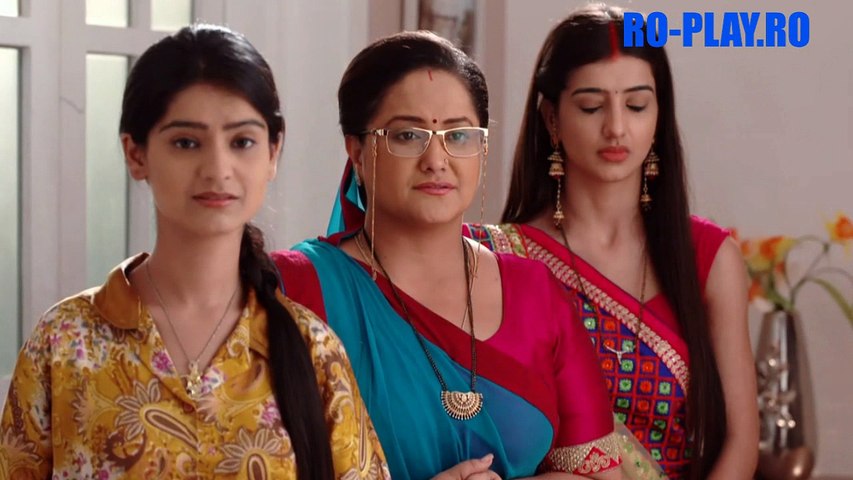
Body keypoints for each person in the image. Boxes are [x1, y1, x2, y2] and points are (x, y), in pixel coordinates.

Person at [0, 24, 387, 479]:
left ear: (273, 151)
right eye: (186, 143)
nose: (217, 169)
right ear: (136, 154)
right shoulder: (66, 342)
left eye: (242, 142)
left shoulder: (313, 350)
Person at [272, 31, 624, 480]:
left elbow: (601, 475)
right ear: (357, 152)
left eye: (458, 135)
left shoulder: (536, 293)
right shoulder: (299, 289)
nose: (436, 160)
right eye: (408, 135)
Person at [464, 4, 759, 479]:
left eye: (637, 105)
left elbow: (741, 444)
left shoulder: (707, 257)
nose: (617, 128)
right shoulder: (501, 259)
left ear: (659, 115)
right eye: (592, 106)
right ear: (552, 117)